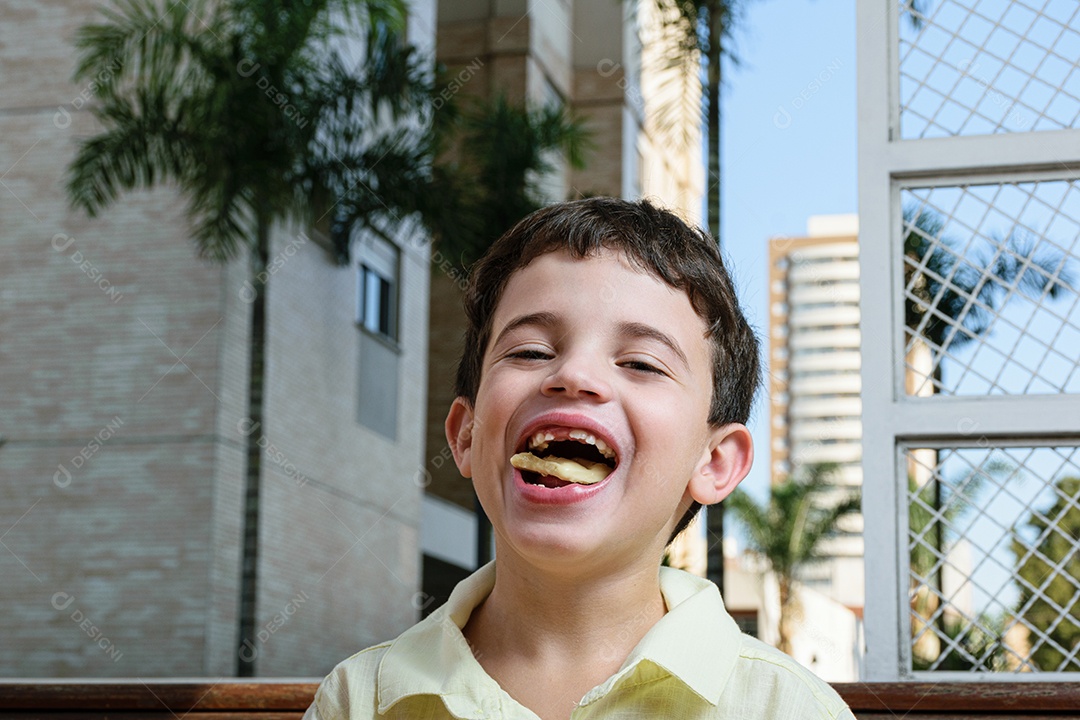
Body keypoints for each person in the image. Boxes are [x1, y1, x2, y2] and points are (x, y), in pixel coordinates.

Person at [304, 197, 855, 720]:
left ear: (714, 462)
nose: (573, 376)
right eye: (531, 351)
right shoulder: (362, 698)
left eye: (641, 363)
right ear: (467, 435)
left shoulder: (788, 706)